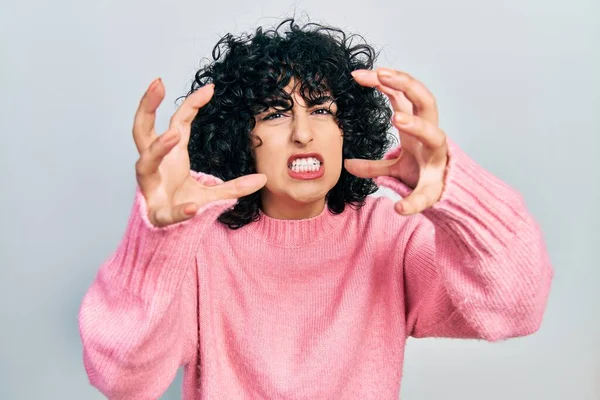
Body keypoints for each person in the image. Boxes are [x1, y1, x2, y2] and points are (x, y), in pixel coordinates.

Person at [78, 18, 554, 399]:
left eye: (322, 109)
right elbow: (122, 380)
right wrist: (158, 243)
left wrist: (455, 186)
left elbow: (516, 307)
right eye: (276, 113)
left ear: (347, 128)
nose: (304, 132)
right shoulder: (201, 250)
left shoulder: (390, 235)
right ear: (242, 138)